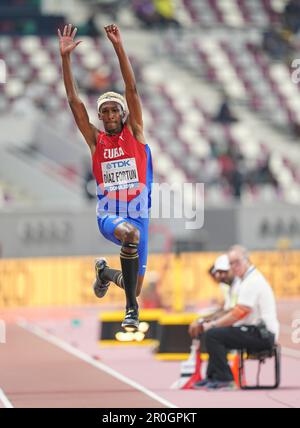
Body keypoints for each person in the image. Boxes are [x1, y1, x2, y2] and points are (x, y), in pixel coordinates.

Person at [58, 24, 153, 332]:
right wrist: (66, 59)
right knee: (130, 238)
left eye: (115, 111)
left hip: (139, 218)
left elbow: (132, 89)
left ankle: (104, 274)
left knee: (133, 285)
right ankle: (131, 311)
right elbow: (74, 101)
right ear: (100, 117)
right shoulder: (96, 142)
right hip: (110, 215)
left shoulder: (135, 134)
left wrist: (118, 47)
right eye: (105, 112)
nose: (110, 115)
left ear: (123, 114)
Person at [195, 245, 280, 390]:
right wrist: (213, 322)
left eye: (237, 262)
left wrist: (214, 324)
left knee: (213, 335)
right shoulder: (245, 280)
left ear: (247, 260)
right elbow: (234, 310)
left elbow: (240, 312)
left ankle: (225, 379)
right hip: (254, 330)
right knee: (214, 333)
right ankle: (214, 376)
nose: (234, 266)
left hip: (262, 334)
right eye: (231, 263)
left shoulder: (252, 281)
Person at [189, 254, 240, 339]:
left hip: (242, 326)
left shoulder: (233, 285)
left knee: (212, 335)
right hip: (236, 323)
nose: (219, 277)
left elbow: (230, 311)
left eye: (222, 272)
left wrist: (205, 320)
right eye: (219, 273)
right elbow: (226, 308)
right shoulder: (228, 285)